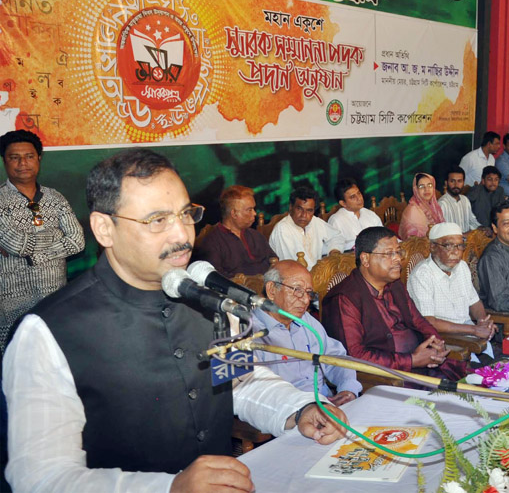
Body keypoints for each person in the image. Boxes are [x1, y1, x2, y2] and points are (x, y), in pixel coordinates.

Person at [2, 149, 347, 492]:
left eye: (185, 214)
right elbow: (42, 477)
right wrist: (169, 488)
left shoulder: (215, 302)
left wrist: (298, 408)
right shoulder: (47, 333)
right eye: (157, 220)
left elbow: (240, 383)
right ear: (104, 229)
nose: (182, 235)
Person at [322, 227, 466, 382]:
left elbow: (418, 320)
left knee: (478, 388)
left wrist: (436, 342)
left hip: (423, 365)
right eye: (389, 253)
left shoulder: (394, 284)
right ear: (365, 259)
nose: (398, 259)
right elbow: (354, 355)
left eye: (398, 252)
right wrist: (411, 360)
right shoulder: (344, 298)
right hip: (389, 379)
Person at [0, 130, 84, 352]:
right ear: (4, 161)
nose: (22, 163)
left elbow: (77, 242)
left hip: (55, 297)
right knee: (16, 361)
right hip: (12, 304)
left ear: (39, 159)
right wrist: (57, 236)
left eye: (28, 156)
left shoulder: (55, 197)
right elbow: (17, 244)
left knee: (57, 357)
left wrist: (37, 255)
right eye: (14, 157)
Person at [252, 260, 362, 406]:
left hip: (328, 404)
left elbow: (336, 358)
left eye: (309, 293)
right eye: (297, 290)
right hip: (290, 414)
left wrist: (348, 389)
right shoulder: (250, 332)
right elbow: (259, 395)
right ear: (272, 290)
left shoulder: (306, 321)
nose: (305, 300)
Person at [407, 223, 497, 359]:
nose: (456, 252)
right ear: (433, 247)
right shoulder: (421, 275)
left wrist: (482, 321)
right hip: (442, 340)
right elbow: (429, 322)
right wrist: (474, 330)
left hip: (470, 334)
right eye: (448, 245)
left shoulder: (462, 267)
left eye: (460, 246)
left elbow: (475, 303)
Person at [193, 185, 277, 278]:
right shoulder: (212, 242)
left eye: (253, 209)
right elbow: (218, 279)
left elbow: (274, 260)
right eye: (249, 210)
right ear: (234, 214)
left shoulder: (255, 235)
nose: (254, 213)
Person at [270, 186, 345, 269]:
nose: (304, 215)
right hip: (293, 278)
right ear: (291, 207)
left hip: (318, 274)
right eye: (299, 209)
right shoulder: (282, 229)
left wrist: (334, 251)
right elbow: (293, 266)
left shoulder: (314, 221)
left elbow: (336, 236)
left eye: (309, 210)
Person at [327, 178, 382, 250]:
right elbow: (334, 250)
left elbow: (383, 236)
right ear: (343, 203)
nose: (359, 198)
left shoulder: (370, 214)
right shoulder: (336, 221)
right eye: (353, 197)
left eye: (359, 193)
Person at [399, 173, 445, 240]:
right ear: (416, 190)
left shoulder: (434, 207)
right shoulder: (412, 210)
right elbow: (412, 241)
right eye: (421, 186)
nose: (426, 189)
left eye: (430, 185)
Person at [438, 167, 480, 232]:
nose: (456, 185)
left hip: (468, 240)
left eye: (459, 181)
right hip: (452, 241)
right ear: (446, 183)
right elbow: (442, 232)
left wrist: (482, 228)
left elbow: (472, 221)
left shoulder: (465, 200)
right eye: (452, 181)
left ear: (463, 182)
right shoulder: (442, 204)